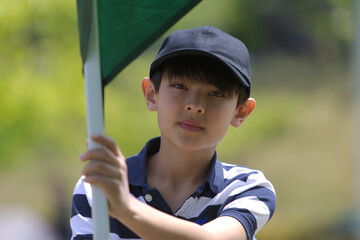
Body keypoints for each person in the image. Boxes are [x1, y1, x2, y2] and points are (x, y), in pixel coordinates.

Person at [70, 26, 276, 240]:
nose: (195, 105)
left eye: (216, 93)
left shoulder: (246, 187)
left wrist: (126, 208)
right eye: (179, 86)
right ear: (151, 94)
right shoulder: (97, 187)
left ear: (241, 112)